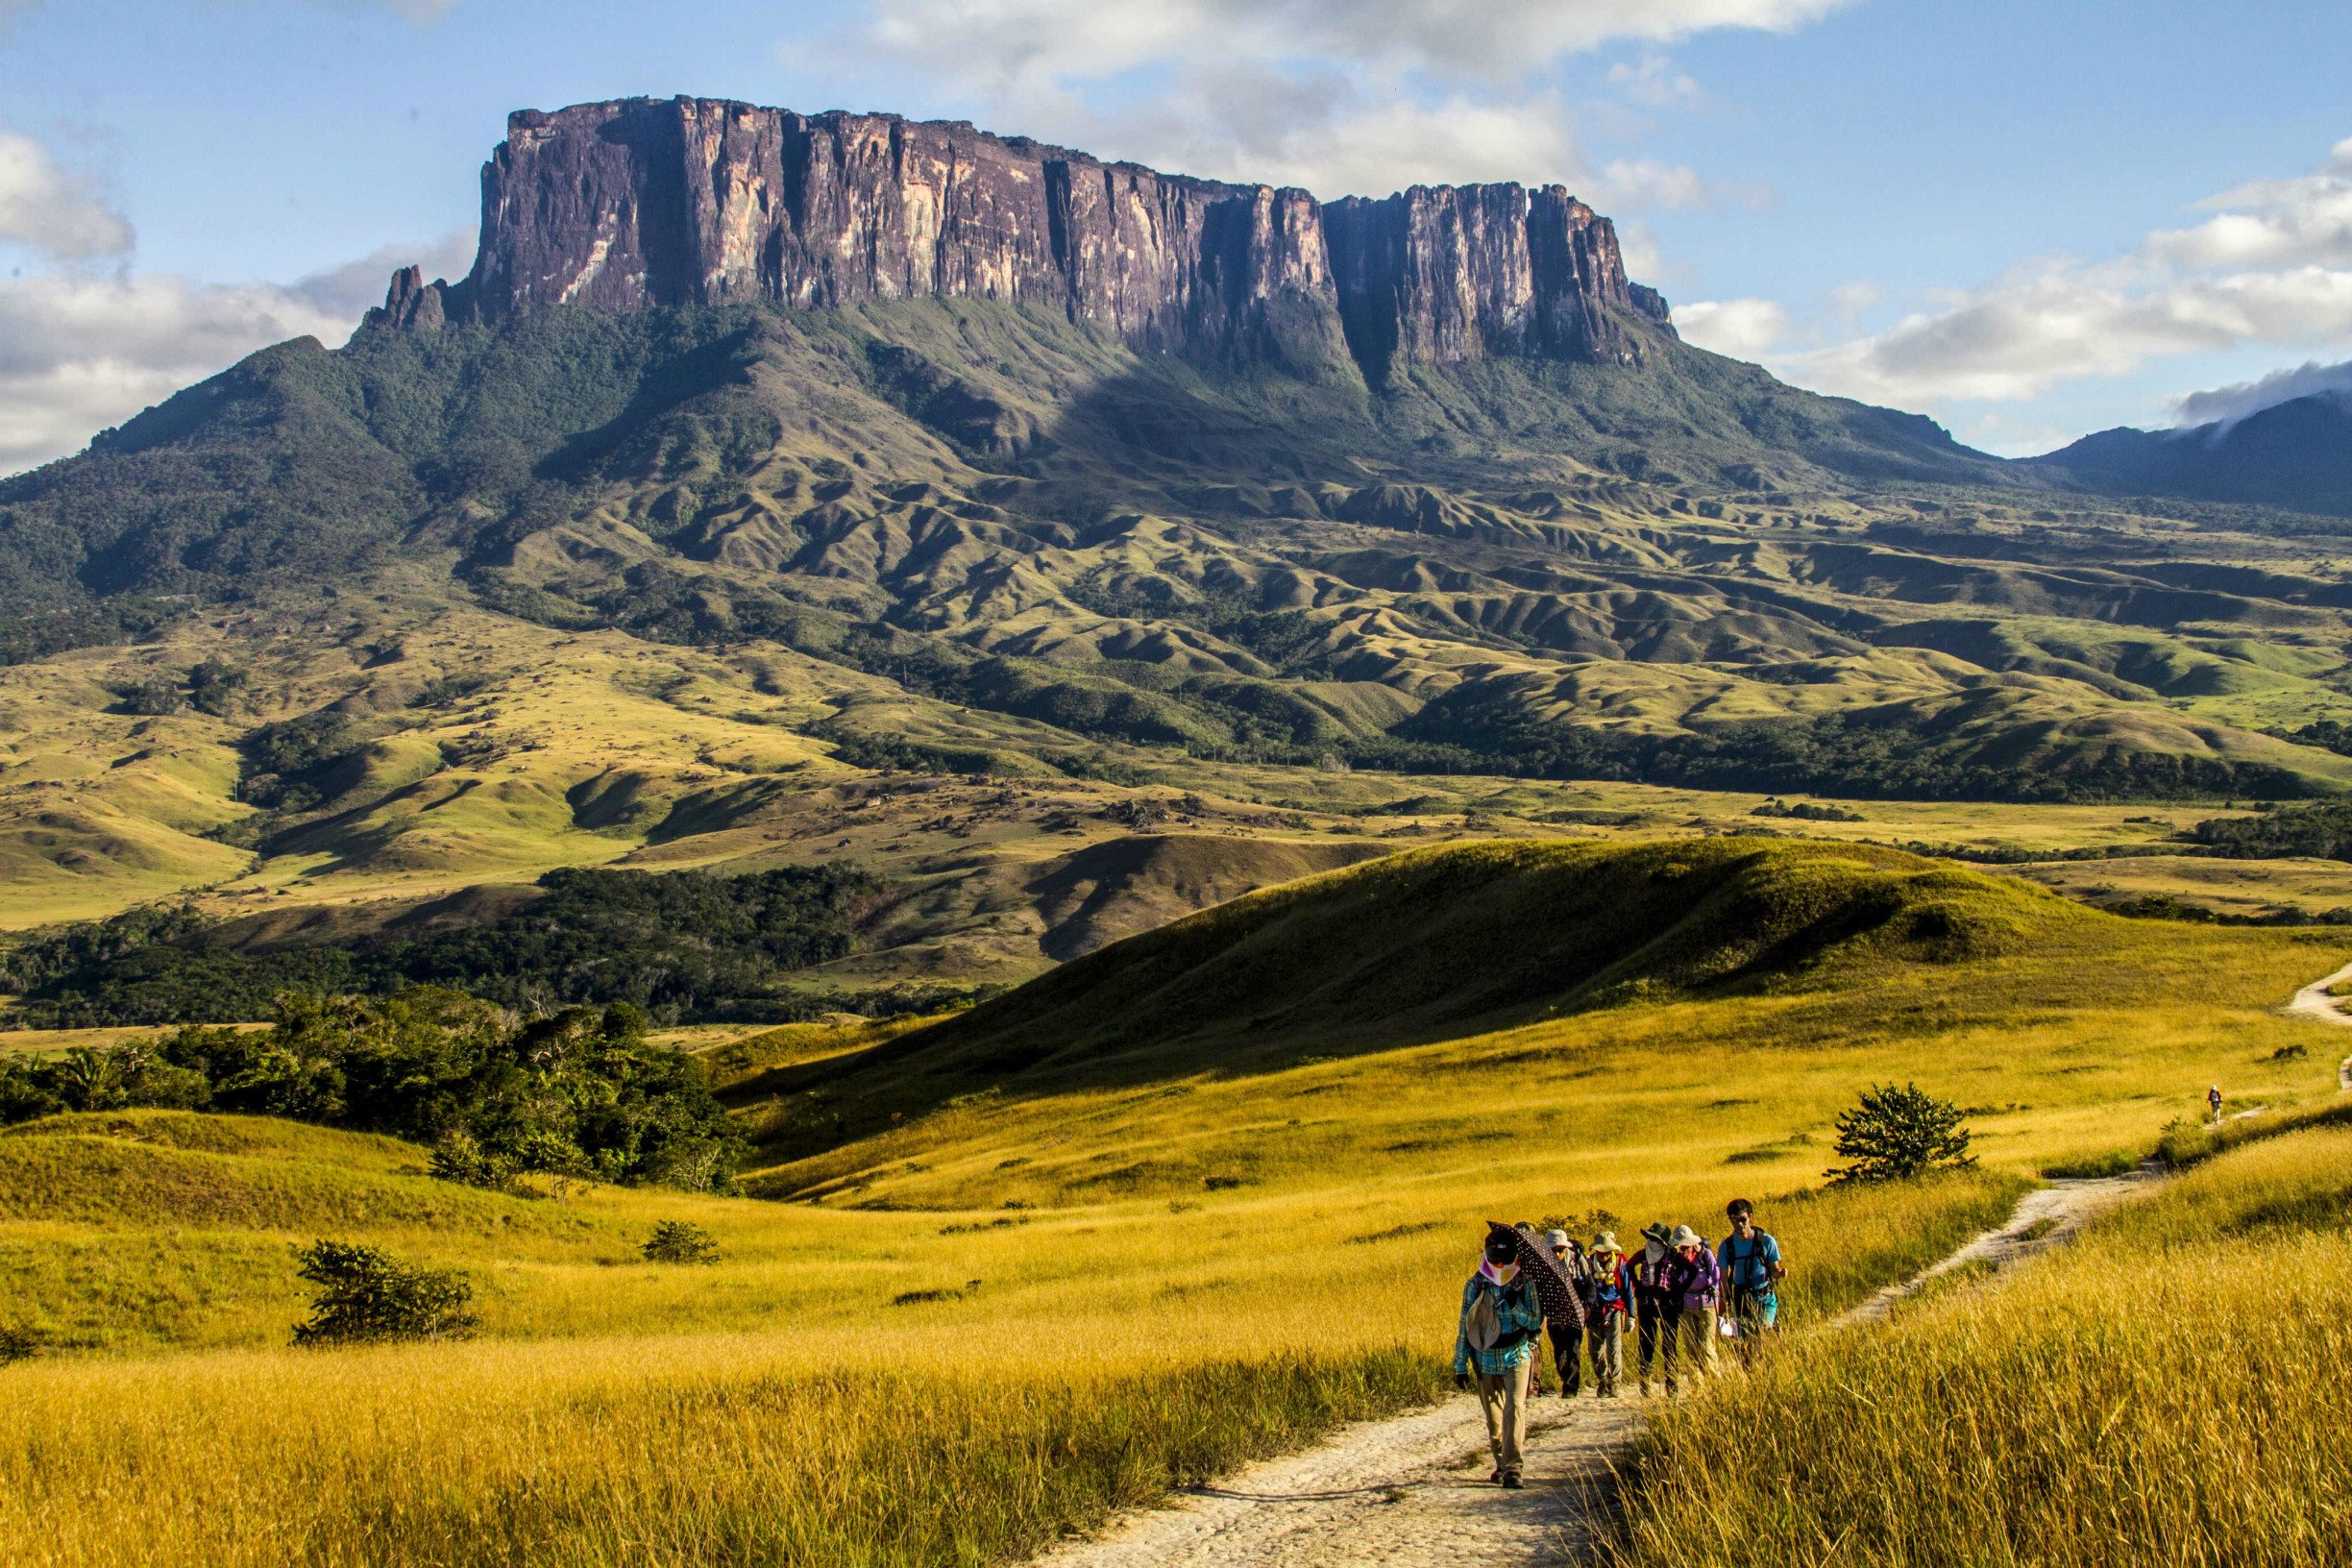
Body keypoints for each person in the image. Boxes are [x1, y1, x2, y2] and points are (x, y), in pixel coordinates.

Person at [1454, 1222, 1544, 1488]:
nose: (1499, 1266)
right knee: (1494, 1419)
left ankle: (1513, 1468)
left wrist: (1517, 1307)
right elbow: (1464, 1326)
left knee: (1515, 1409)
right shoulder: (1476, 1284)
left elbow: (1535, 1322)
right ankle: (1501, 1463)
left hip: (1517, 1355)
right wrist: (1460, 1364)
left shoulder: (1525, 1283)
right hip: (1485, 1358)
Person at [1715, 1199, 1786, 1367]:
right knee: (1743, 1350)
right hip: (1741, 1302)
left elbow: (1774, 1269)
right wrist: (1722, 1311)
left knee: (1759, 1339)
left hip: (1765, 1299)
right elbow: (1723, 1281)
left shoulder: (1766, 1241)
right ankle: (1752, 1379)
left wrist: (1780, 1273)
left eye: (1742, 1220)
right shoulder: (1727, 1247)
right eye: (1734, 1220)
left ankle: (1763, 1371)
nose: (1739, 1224)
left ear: (1751, 1218)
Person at [1663, 1223, 1721, 1394]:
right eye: (1681, 1247)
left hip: (1707, 1306)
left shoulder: (1705, 1255)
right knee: (1691, 1348)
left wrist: (1713, 1288)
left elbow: (1716, 1276)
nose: (1683, 1250)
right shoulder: (1676, 1260)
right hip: (1686, 1306)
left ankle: (1715, 1386)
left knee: (1706, 1347)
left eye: (1686, 1247)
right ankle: (1697, 1388)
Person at [1580, 1231, 1632, 1398]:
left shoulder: (1620, 1265)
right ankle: (1602, 1380)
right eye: (1601, 1252)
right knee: (1595, 1351)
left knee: (1614, 1349)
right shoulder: (1588, 1264)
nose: (1603, 1255)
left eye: (1607, 1252)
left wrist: (1631, 1315)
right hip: (1594, 1311)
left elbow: (1627, 1291)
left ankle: (1615, 1382)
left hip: (1614, 1310)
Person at [1630, 1222, 1677, 1397]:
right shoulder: (1643, 1254)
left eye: (1655, 1238)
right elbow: (1627, 1267)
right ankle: (1645, 1383)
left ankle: (1671, 1384)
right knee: (1646, 1344)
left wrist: (1676, 1290)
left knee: (1669, 1345)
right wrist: (1638, 1285)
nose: (1651, 1241)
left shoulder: (1671, 1255)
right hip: (1647, 1303)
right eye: (1650, 1237)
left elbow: (1690, 1270)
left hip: (1666, 1303)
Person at [1544, 1228, 1586, 1397]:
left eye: (1560, 1250)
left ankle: (1571, 1388)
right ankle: (1565, 1379)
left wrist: (1588, 1305)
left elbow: (1589, 1285)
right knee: (1560, 1352)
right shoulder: (1543, 1264)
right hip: (1555, 1313)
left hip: (1575, 1311)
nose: (1558, 1254)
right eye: (1554, 1250)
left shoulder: (1577, 1261)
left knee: (1574, 1350)